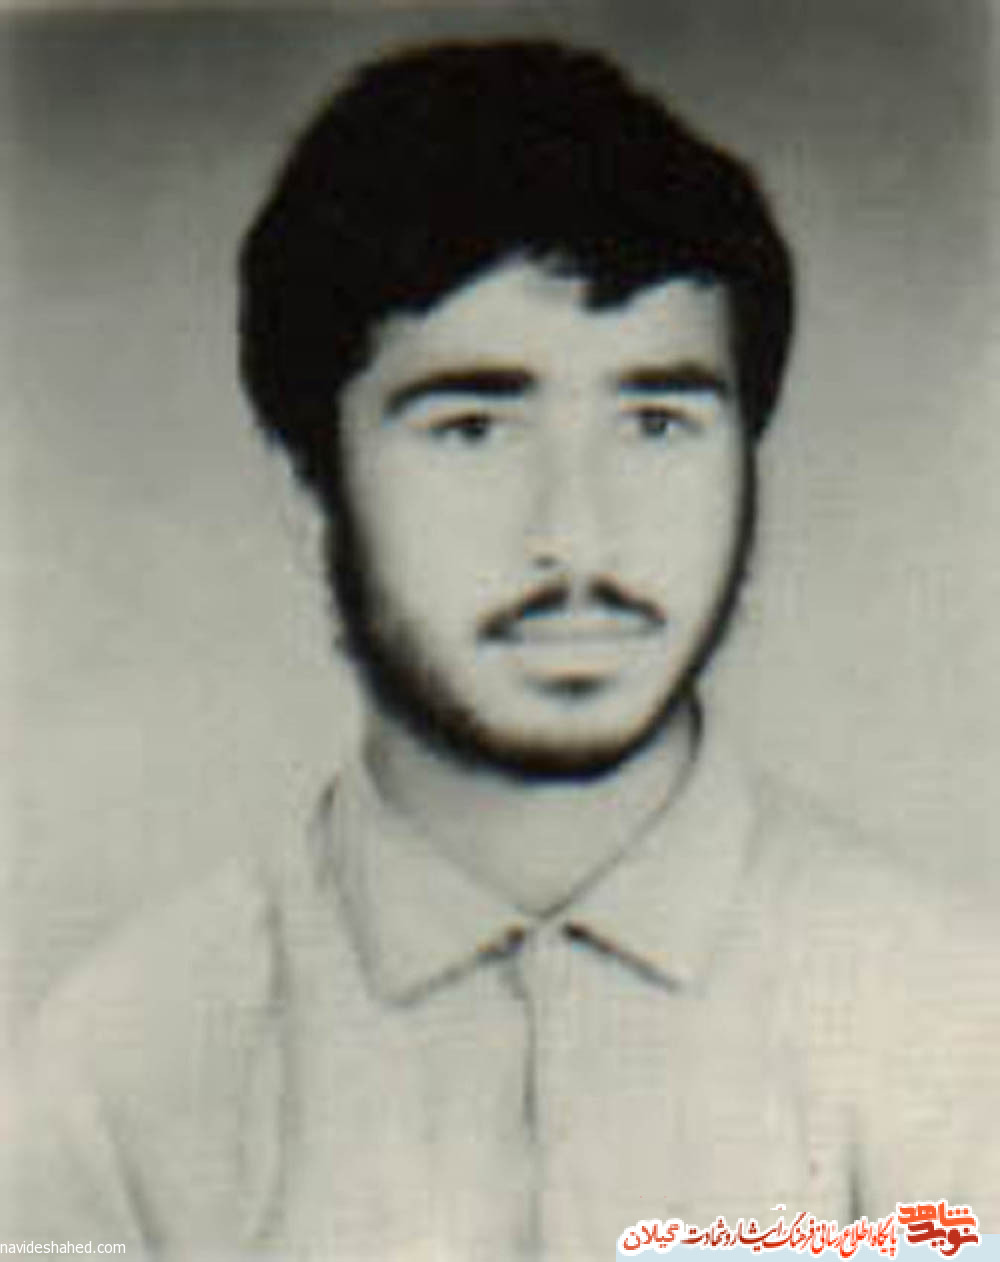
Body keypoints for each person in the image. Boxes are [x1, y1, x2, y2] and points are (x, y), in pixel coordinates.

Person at [5, 39, 998, 1261]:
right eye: (473, 428)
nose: (577, 535)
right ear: (311, 494)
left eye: (656, 421)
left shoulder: (954, 1030)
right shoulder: (115, 1077)